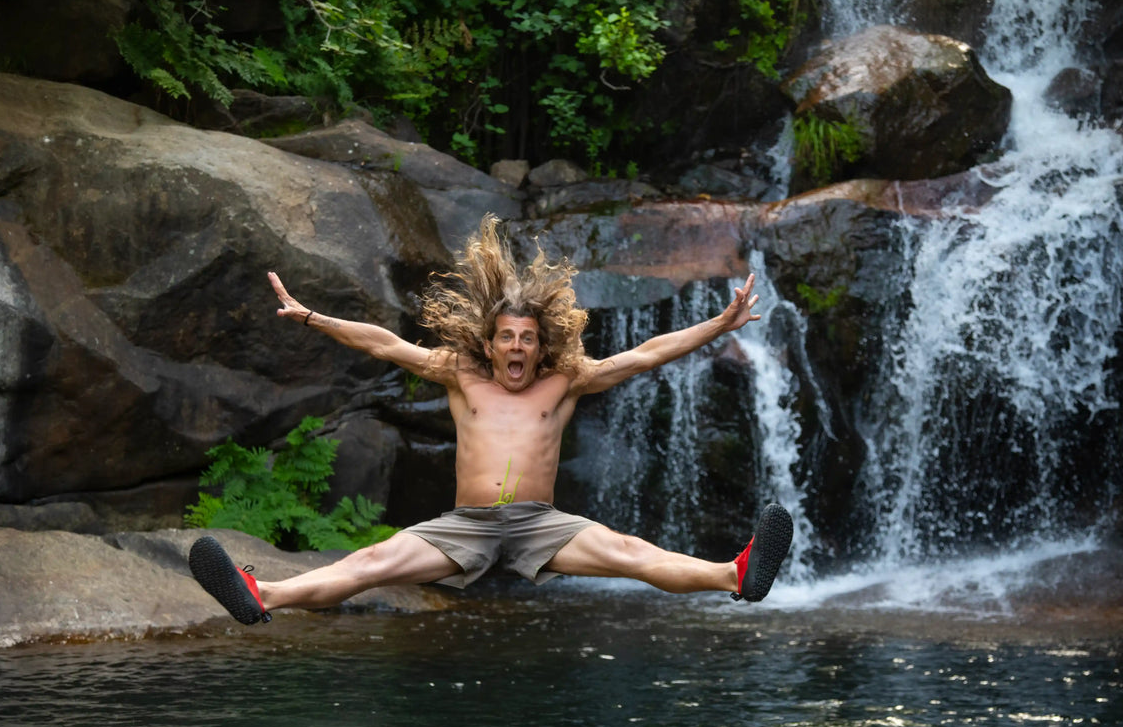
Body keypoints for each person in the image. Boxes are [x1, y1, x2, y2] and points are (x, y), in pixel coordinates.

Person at [189, 215, 793, 624]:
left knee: (631, 551)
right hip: (467, 524)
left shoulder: (567, 380)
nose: (517, 347)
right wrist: (314, 318)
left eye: (527, 338)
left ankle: (735, 574)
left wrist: (719, 324)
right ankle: (260, 593)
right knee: (369, 566)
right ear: (490, 341)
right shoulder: (461, 373)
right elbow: (385, 345)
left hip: (541, 524)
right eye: (506, 336)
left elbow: (645, 354)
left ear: (540, 344)